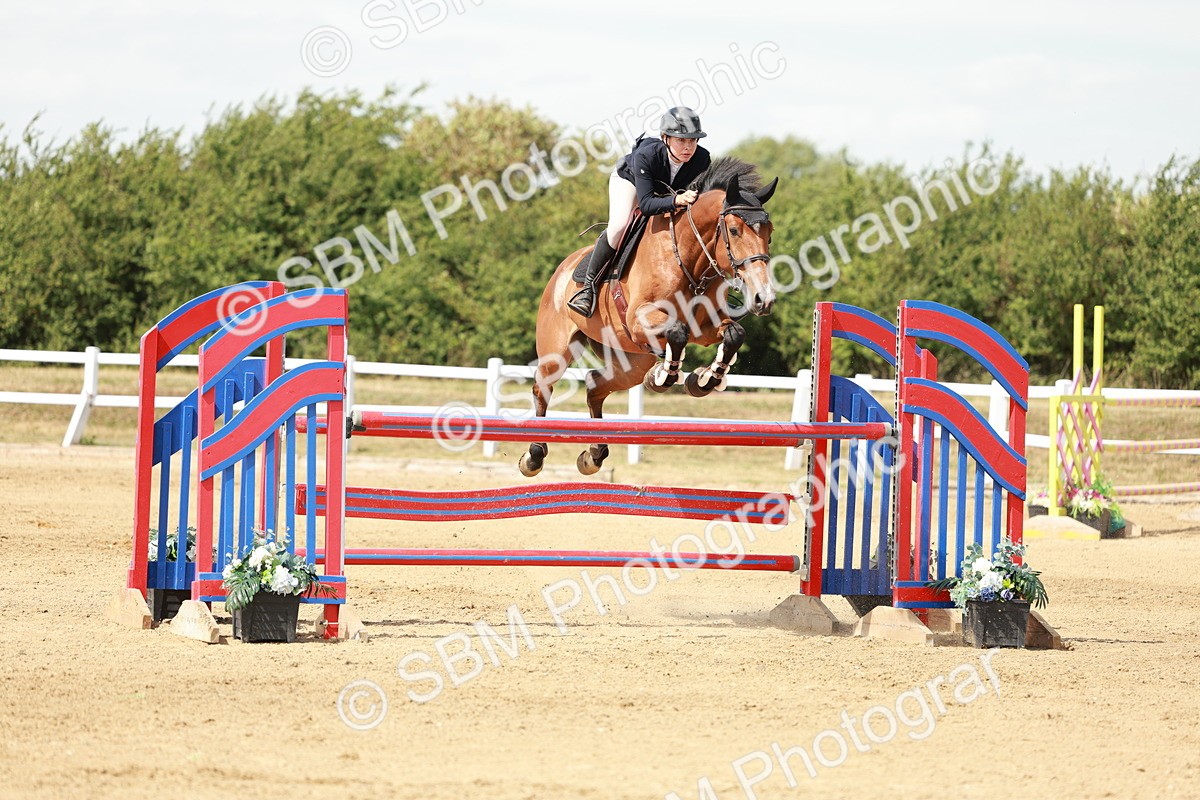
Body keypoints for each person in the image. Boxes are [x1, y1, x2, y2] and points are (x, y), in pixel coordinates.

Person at [567, 106, 713, 317]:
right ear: (665, 138)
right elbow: (645, 205)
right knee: (619, 225)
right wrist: (676, 199)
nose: (688, 147)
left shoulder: (702, 159)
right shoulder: (648, 155)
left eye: (693, 140)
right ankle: (588, 288)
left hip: (666, 193)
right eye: (681, 140)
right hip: (630, 182)